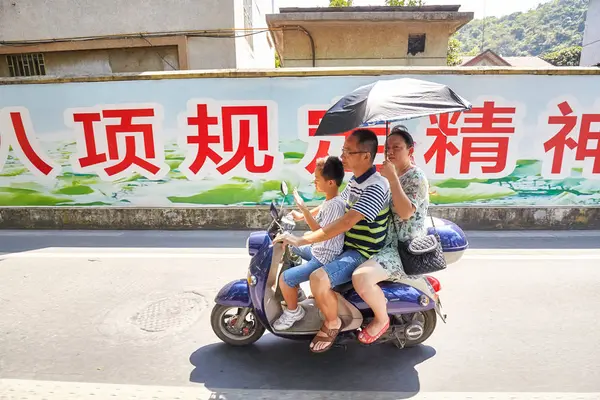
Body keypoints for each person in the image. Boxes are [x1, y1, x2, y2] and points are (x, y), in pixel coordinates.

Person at [275, 128, 390, 353]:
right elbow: (336, 201)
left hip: (361, 251)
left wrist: (303, 239)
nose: (343, 156)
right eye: (344, 150)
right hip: (346, 245)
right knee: (298, 255)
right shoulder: (357, 181)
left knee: (318, 277)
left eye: (348, 151)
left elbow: (345, 223)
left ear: (366, 156)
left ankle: (332, 322)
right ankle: (312, 299)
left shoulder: (375, 187)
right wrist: (304, 214)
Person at [351, 125, 430, 345]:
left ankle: (381, 319)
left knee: (361, 277)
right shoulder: (387, 174)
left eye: (397, 147)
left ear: (410, 151)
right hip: (381, 240)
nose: (391, 152)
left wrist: (393, 178)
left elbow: (405, 213)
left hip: (402, 247)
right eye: (388, 148)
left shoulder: (416, 177)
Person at [273, 156, 347, 331]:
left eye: (317, 180)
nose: (314, 183)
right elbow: (321, 208)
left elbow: (320, 232)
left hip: (324, 257)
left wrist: (304, 210)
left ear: (330, 182)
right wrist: (300, 215)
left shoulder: (335, 205)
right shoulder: (332, 199)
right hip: (319, 249)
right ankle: (295, 292)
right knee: (291, 247)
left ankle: (293, 311)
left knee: (285, 279)